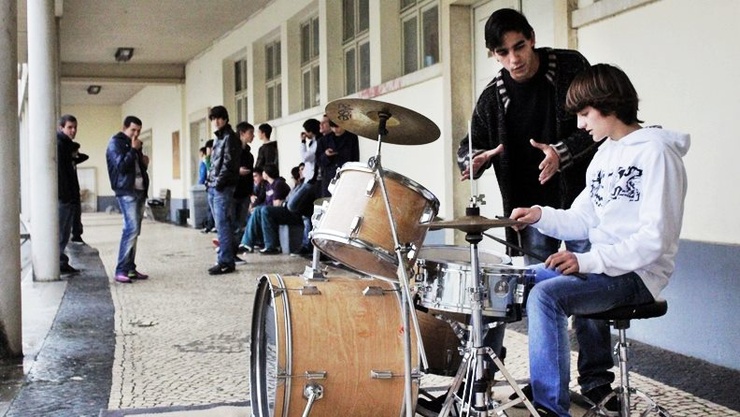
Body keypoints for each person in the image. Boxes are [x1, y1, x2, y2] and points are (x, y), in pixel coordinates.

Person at [446, 7, 606, 412]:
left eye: (519, 46)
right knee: (539, 299)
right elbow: (467, 147)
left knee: (589, 292)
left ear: (532, 38)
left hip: (581, 202)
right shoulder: (492, 97)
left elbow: (598, 119)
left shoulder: (569, 67)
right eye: (503, 52)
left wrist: (562, 152)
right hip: (529, 210)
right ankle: (544, 385)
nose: (514, 59)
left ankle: (597, 383)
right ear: (493, 55)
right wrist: (474, 160)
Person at [509, 63, 689, 417]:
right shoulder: (604, 155)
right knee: (517, 280)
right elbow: (582, 219)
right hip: (605, 268)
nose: (580, 124)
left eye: (585, 113)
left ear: (611, 105)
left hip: (639, 275)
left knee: (547, 296)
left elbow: (655, 239)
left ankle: (550, 408)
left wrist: (586, 261)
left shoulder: (656, 153)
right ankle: (492, 378)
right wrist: (540, 214)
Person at [106, 116, 150, 283]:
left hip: (139, 190)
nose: (136, 134)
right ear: (124, 127)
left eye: (138, 131)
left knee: (135, 231)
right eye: (133, 130)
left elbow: (138, 167)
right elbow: (121, 166)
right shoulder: (115, 143)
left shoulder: (136, 144)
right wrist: (133, 150)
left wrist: (142, 159)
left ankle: (130, 268)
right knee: (130, 229)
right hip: (126, 190)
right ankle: (121, 269)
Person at [206, 106, 242, 275]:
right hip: (214, 187)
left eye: (219, 118)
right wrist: (209, 183)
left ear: (226, 119)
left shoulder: (230, 138)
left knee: (223, 225)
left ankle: (226, 261)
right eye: (213, 119)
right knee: (221, 225)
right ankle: (226, 257)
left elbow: (229, 164)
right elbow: (214, 164)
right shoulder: (218, 138)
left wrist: (218, 183)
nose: (216, 121)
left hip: (222, 187)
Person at [237, 163, 290, 254]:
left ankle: (271, 246)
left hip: (284, 211)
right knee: (258, 210)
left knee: (263, 210)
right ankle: (247, 244)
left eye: (264, 172)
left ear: (267, 173)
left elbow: (276, 204)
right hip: (269, 210)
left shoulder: (278, 183)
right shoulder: (267, 185)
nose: (263, 174)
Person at [57, 114, 82, 275]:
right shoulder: (60, 145)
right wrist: (66, 195)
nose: (73, 130)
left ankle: (61, 262)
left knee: (64, 233)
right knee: (61, 233)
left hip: (68, 196)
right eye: (69, 127)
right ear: (61, 128)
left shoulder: (67, 146)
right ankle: (58, 263)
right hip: (64, 197)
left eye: (75, 127)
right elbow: (60, 174)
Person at [315, 119, 360, 197]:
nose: (335, 129)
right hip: (329, 178)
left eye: (337, 127)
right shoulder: (323, 140)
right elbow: (318, 161)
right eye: (332, 127)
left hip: (346, 176)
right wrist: (326, 155)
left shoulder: (352, 137)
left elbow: (355, 158)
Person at [70, 140, 89, 245]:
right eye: (75, 151)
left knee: (77, 214)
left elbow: (85, 157)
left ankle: (77, 234)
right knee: (72, 214)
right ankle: (74, 235)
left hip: (75, 190)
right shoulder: (67, 161)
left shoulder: (74, 161)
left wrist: (77, 154)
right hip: (69, 191)